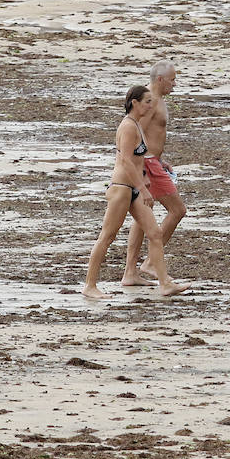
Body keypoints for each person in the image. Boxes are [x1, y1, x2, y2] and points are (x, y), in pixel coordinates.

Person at [83, 85, 187, 299]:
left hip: (135, 190)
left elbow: (140, 158)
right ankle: (90, 286)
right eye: (147, 101)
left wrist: (153, 172)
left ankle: (165, 283)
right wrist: (143, 187)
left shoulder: (137, 125)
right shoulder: (128, 126)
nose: (151, 105)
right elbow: (127, 161)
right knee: (108, 236)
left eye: (152, 101)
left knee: (155, 234)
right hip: (122, 189)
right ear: (135, 103)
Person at [122, 59, 187, 285]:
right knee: (178, 210)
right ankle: (150, 262)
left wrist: (161, 160)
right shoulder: (150, 101)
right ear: (160, 79)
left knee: (142, 217)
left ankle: (130, 273)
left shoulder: (158, 99)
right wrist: (146, 167)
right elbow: (136, 130)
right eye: (172, 80)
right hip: (147, 165)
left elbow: (150, 135)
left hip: (152, 162)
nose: (175, 84)